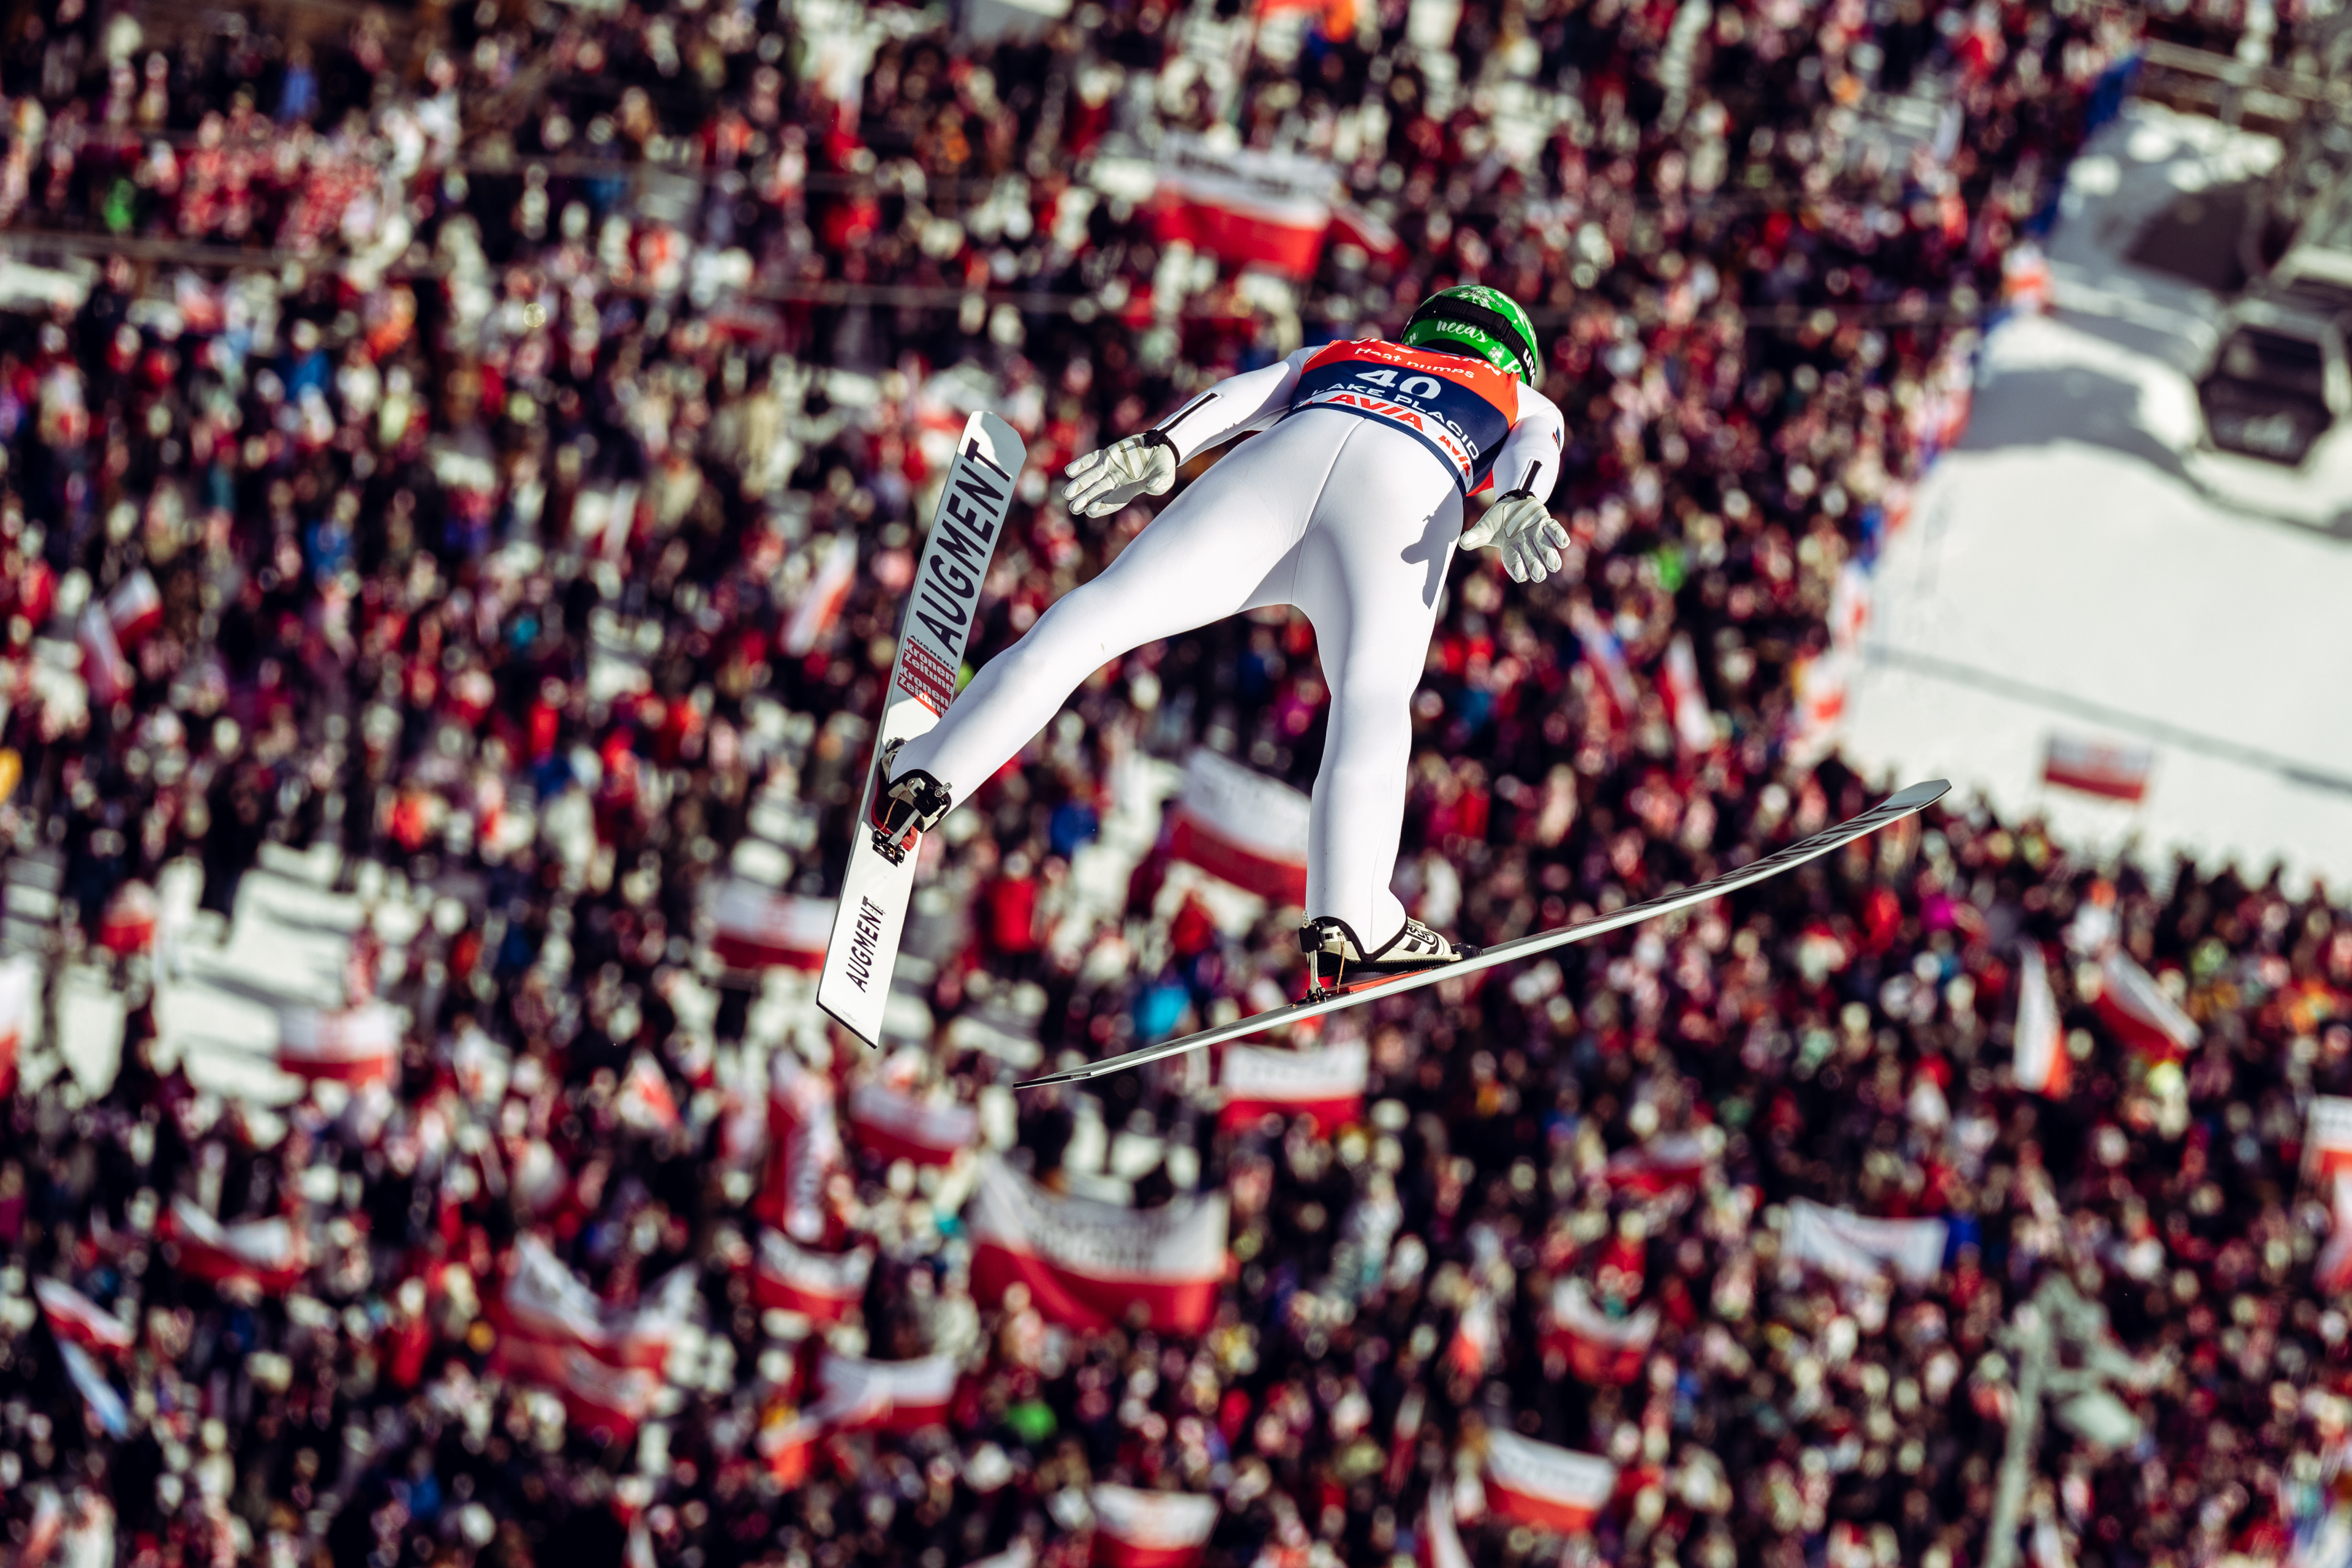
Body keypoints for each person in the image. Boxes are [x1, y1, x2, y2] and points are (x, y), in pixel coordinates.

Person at [873, 286, 1574, 996]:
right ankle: (1349, 916)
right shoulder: (1514, 390)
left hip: (1283, 461)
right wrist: (1522, 500)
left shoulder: (1349, 350)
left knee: (1103, 613)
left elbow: (1245, 395)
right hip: (1411, 488)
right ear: (1514, 355)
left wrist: (1166, 443)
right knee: (1372, 697)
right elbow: (1536, 442)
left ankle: (929, 770)